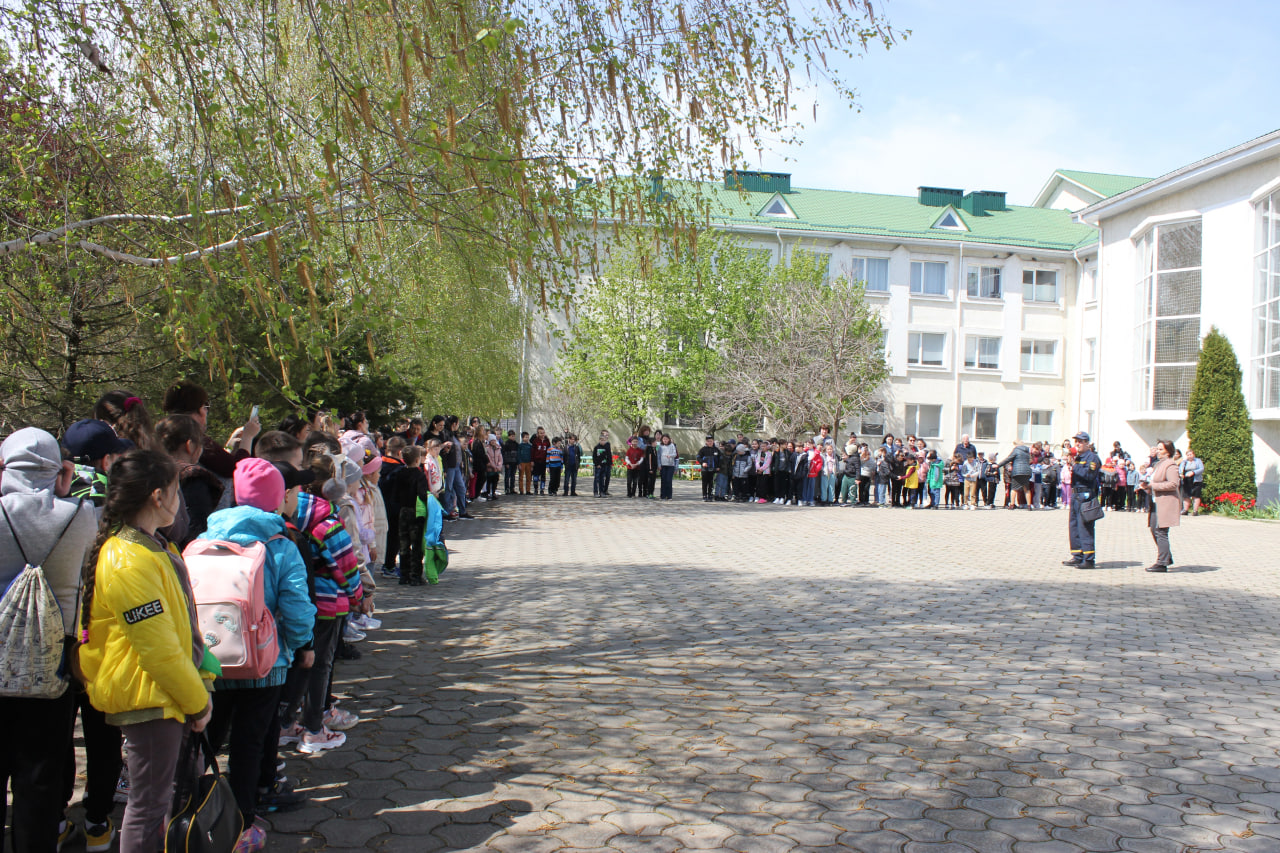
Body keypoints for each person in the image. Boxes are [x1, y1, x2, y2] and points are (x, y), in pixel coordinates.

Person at [77, 450, 217, 853]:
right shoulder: (128, 560)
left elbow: (181, 632)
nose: (181, 501)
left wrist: (202, 682)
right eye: (177, 491)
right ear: (158, 497)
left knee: (161, 804)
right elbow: (159, 651)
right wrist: (196, 703)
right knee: (148, 806)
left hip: (167, 695)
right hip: (152, 698)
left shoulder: (154, 547)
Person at [200, 459, 316, 852]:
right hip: (265, 663)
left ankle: (192, 807)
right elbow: (298, 608)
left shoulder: (205, 537)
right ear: (276, 497)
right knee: (249, 744)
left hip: (212, 660)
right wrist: (299, 644)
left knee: (208, 739)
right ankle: (243, 824)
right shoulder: (280, 544)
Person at [0, 429, 98, 853]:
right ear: (59, 470)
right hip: (53, 662)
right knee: (40, 777)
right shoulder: (80, 515)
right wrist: (65, 483)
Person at [1063, 431, 1102, 569]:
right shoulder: (1078, 457)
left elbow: (1089, 475)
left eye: (1081, 441)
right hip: (1075, 495)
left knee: (1085, 527)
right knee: (1074, 526)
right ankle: (1077, 555)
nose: (1078, 444)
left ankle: (1089, 558)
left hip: (1085, 496)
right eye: (1076, 441)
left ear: (1087, 443)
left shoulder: (1092, 458)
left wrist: (1075, 466)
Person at [1142, 440, 1182, 572]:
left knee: (1161, 531)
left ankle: (1162, 562)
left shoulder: (1171, 465)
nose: (1157, 451)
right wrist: (1146, 486)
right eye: (1157, 449)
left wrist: (1154, 486)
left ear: (1168, 451)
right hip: (1155, 501)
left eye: (1160, 449)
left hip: (1166, 502)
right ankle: (1166, 556)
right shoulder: (1158, 464)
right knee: (1154, 529)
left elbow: (1173, 484)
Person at [998, 440, 1033, 509]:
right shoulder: (1027, 451)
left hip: (1017, 472)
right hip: (1026, 471)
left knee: (1014, 488)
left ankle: (1012, 504)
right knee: (1027, 489)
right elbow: (1030, 460)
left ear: (1016, 445)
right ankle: (1029, 505)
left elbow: (1008, 459)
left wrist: (999, 465)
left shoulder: (1016, 450)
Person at [1179, 448, 1205, 516]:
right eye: (1188, 455)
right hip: (1186, 480)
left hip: (1196, 480)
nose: (1189, 456)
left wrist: (1193, 472)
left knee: (1196, 495)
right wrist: (1181, 474)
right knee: (1186, 495)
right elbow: (1180, 470)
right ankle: (1185, 510)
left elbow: (1201, 469)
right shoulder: (1184, 462)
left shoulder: (1198, 461)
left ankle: (1195, 511)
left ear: (1193, 454)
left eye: (1191, 454)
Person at [696, 436, 721, 503]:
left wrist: (718, 466)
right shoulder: (703, 449)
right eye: (708, 441)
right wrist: (702, 462)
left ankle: (710, 495)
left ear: (713, 441)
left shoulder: (716, 450)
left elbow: (719, 459)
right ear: (706, 442)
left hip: (712, 468)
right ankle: (704, 495)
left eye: (711, 441)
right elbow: (698, 457)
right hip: (705, 469)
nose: (710, 443)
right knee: (704, 482)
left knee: (711, 482)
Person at [656, 434, 678, 500]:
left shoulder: (672, 445)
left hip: (670, 465)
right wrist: (659, 465)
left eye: (666, 439)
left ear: (669, 439)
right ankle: (662, 496)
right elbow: (658, 456)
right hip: (663, 465)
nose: (665, 440)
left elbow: (675, 454)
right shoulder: (660, 446)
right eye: (664, 439)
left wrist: (670, 455)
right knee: (663, 481)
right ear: (662, 440)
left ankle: (669, 496)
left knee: (669, 480)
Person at [530, 427, 550, 495]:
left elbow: (548, 451)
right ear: (538, 434)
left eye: (543, 433)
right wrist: (532, 460)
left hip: (544, 461)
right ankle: (536, 489)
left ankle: (542, 489)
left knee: (543, 476)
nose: (542, 434)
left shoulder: (547, 441)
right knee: (535, 476)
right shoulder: (535, 441)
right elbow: (532, 452)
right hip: (536, 461)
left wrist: (548, 461)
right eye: (541, 433)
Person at [591, 432, 612, 497]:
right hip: (598, 466)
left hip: (604, 465)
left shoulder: (607, 447)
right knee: (597, 479)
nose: (603, 442)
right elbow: (594, 457)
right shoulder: (596, 447)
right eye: (601, 440)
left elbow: (609, 456)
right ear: (599, 440)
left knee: (602, 479)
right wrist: (597, 464)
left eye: (604, 440)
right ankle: (595, 492)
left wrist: (610, 463)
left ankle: (602, 491)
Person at [502, 431, 519, 495]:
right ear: (509, 436)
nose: (513, 437)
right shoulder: (506, 444)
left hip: (514, 462)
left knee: (513, 476)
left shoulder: (516, 444)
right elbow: (505, 454)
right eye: (512, 436)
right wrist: (506, 463)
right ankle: (507, 489)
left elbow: (517, 454)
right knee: (507, 476)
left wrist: (517, 462)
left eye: (514, 436)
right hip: (508, 462)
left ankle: (512, 488)